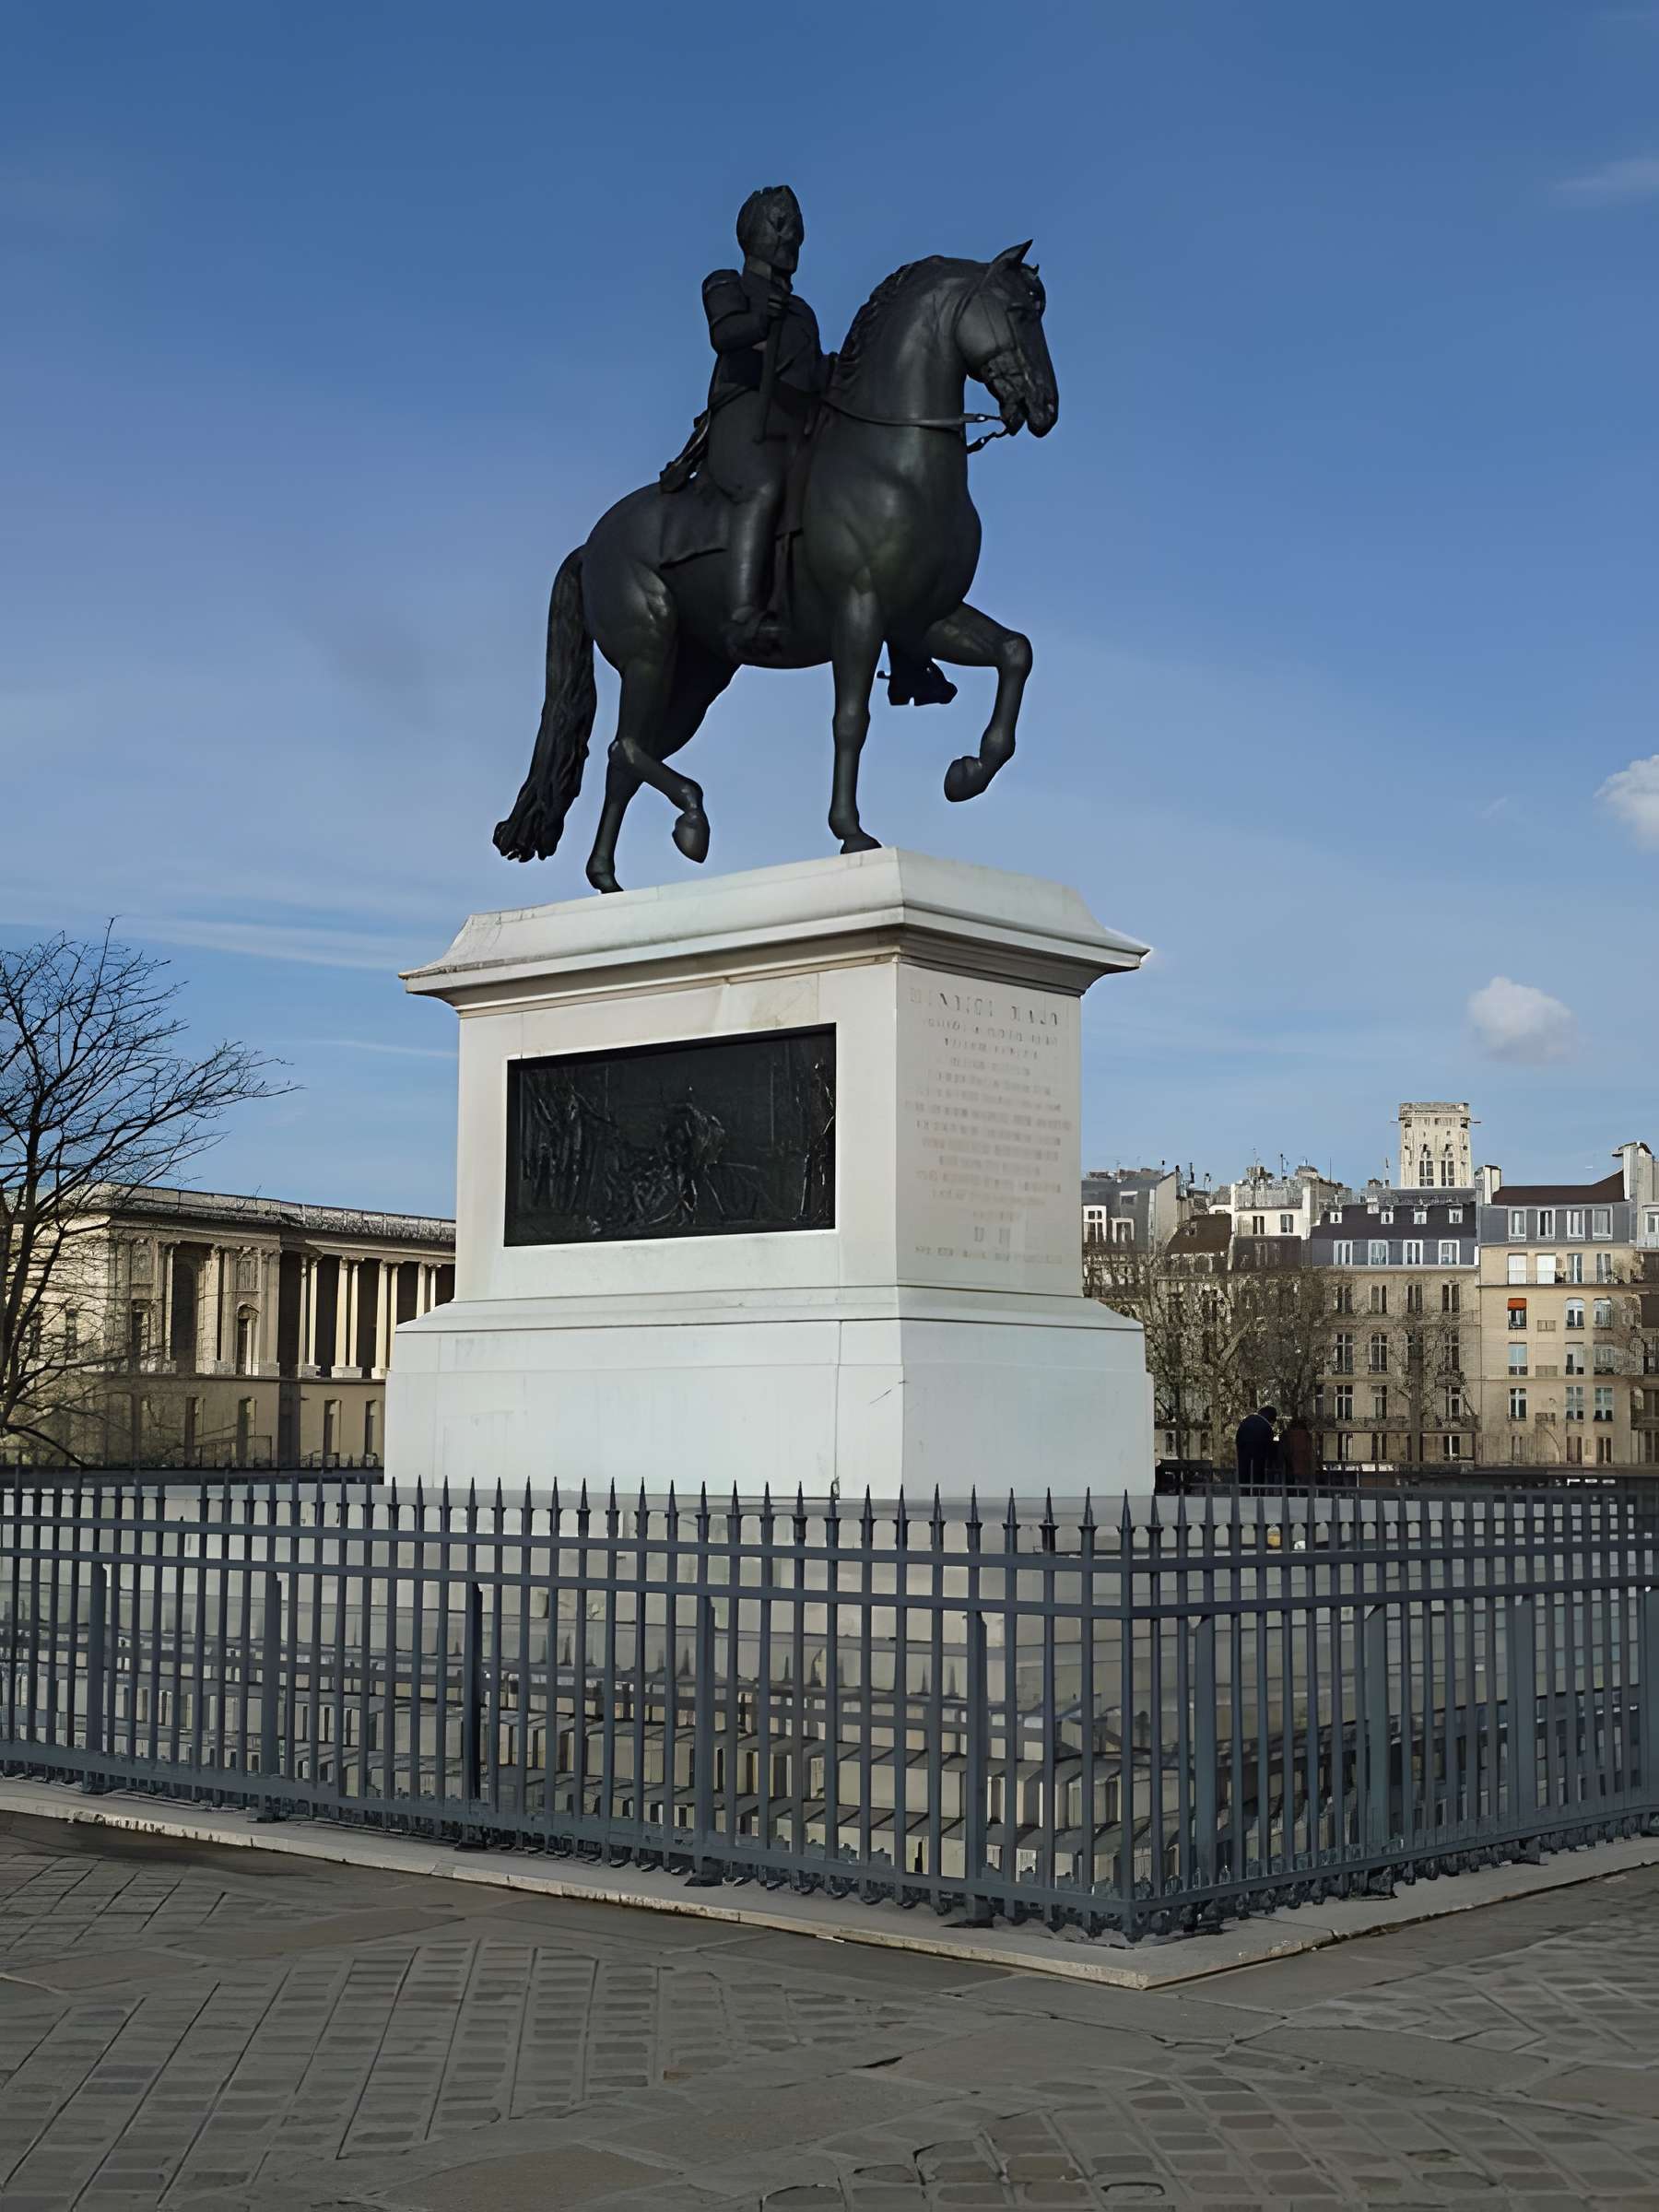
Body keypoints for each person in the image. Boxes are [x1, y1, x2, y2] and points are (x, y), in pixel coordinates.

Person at [700, 184, 828, 659]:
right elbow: (724, 334)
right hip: (744, 417)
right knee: (764, 486)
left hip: (798, 428)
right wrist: (759, 323)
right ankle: (741, 614)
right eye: (780, 223)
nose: (790, 234)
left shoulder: (802, 313)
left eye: (796, 225)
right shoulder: (725, 284)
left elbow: (814, 374)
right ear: (752, 231)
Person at [1235, 1404, 1278, 1485]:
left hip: (1243, 1450)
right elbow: (1269, 1448)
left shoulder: (1246, 1420)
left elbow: (1238, 1436)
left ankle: (1244, 1492)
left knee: (1244, 1472)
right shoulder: (1267, 1427)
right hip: (1259, 1455)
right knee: (1258, 1472)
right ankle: (1258, 1493)